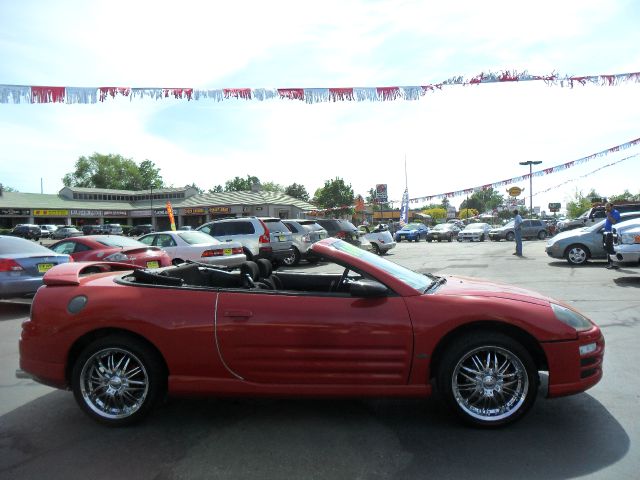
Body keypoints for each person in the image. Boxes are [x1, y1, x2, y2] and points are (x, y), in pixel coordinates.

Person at [603, 202, 621, 269]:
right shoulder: (609, 213)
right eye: (605, 207)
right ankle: (610, 263)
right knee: (607, 248)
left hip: (612, 233)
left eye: (607, 207)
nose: (606, 208)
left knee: (610, 248)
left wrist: (608, 215)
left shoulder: (615, 212)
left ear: (612, 207)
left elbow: (614, 222)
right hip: (607, 232)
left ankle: (613, 264)